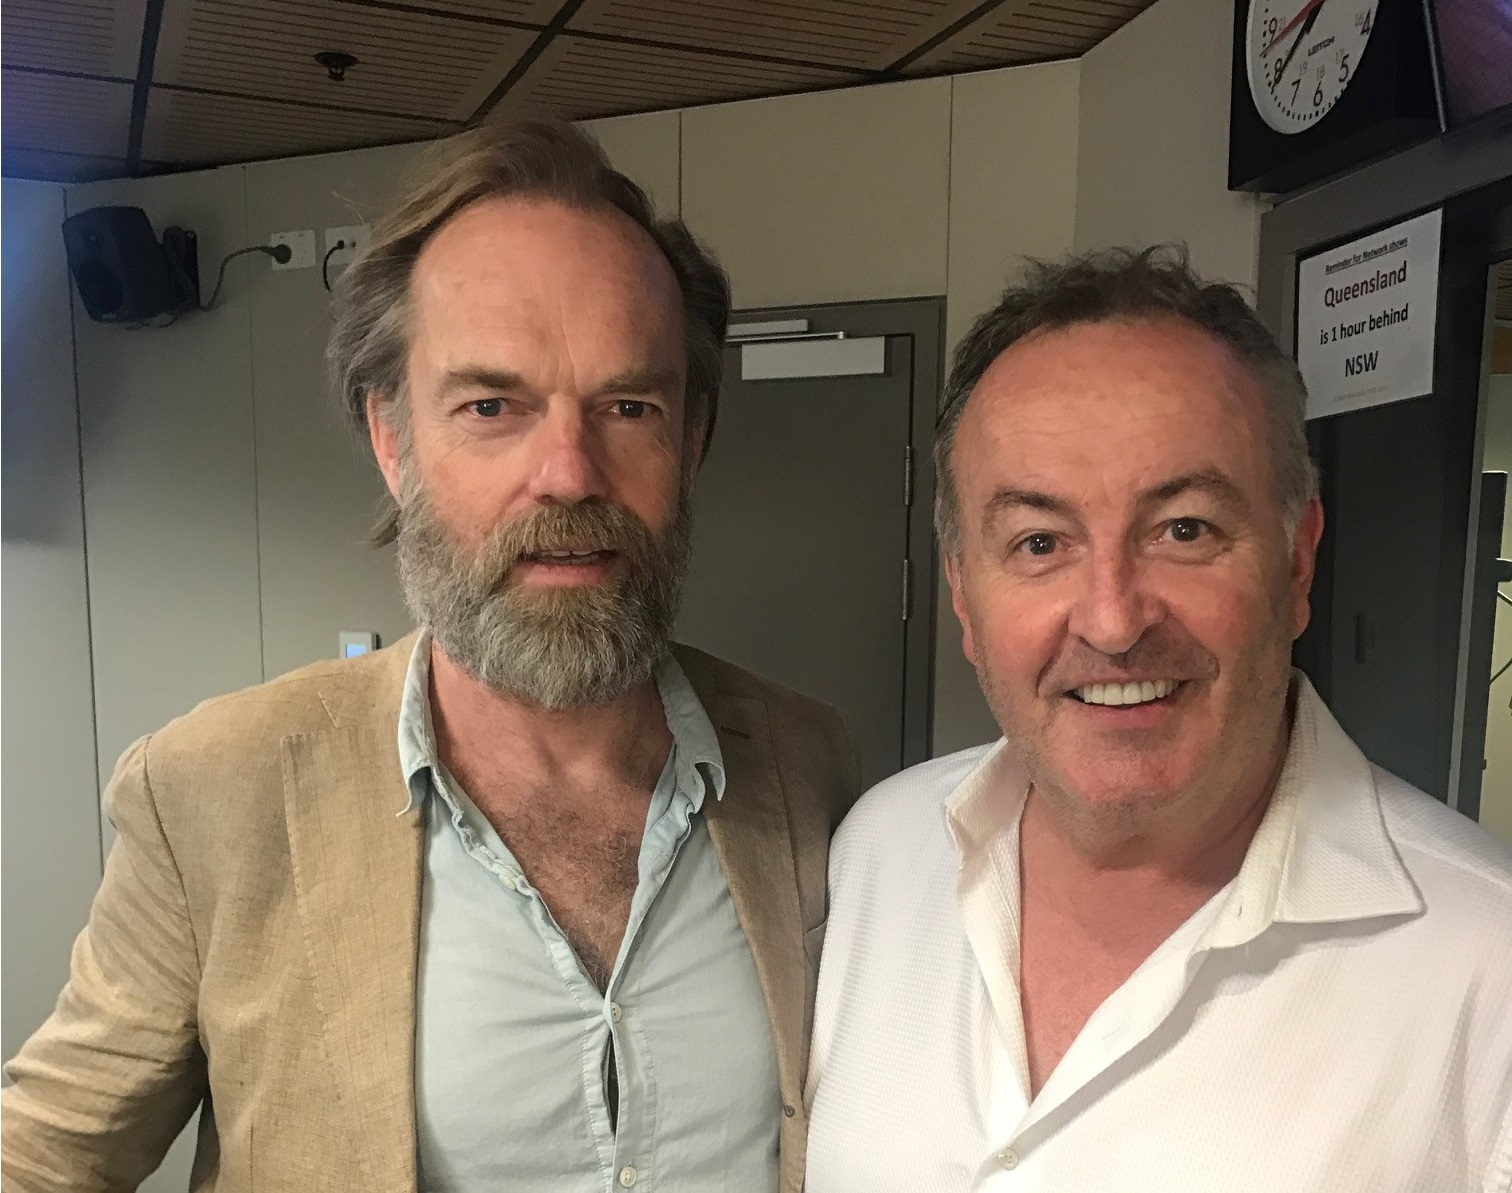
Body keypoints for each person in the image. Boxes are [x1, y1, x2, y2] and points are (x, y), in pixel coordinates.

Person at [3, 120, 859, 1192]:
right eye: (492, 406)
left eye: (628, 405)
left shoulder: (807, 766)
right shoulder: (217, 793)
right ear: (392, 437)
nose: (568, 473)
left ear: (690, 439)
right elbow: (39, 1160)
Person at [804, 247, 1512, 1192]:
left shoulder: (1488, 970)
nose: (1113, 619)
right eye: (1039, 542)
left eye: (1185, 530)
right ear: (964, 596)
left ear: (1297, 563)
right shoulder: (877, 855)